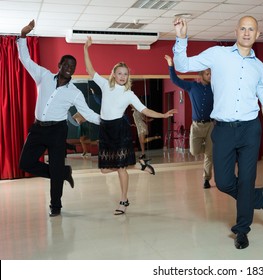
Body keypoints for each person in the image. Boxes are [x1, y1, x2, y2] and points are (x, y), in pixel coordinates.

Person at [173, 15, 263, 249]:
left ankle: (242, 230)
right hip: (223, 130)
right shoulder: (217, 55)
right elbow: (183, 66)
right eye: (243, 28)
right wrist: (181, 38)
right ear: (236, 31)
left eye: (252, 29)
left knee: (247, 181)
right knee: (224, 181)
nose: (247, 33)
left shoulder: (259, 66)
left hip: (250, 129)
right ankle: (259, 198)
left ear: (258, 35)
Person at [84, 36, 177, 215]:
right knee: (104, 169)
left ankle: (124, 201)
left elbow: (145, 110)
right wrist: (86, 49)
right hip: (105, 129)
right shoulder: (104, 84)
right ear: (114, 74)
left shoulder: (129, 94)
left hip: (119, 129)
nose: (122, 76)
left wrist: (163, 115)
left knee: (120, 167)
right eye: (119, 73)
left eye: (125, 74)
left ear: (128, 77)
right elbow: (89, 69)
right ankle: (138, 165)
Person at [17, 20, 101, 217]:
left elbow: (87, 113)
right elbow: (26, 60)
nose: (70, 68)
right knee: (25, 163)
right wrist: (23, 35)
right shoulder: (44, 76)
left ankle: (56, 206)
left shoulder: (74, 92)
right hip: (38, 129)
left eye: (73, 66)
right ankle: (62, 173)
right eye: (67, 64)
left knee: (55, 166)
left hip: (57, 131)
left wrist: (106, 121)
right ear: (60, 65)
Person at [164, 54, 214, 189]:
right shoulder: (192, 86)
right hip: (197, 126)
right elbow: (174, 80)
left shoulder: (215, 88)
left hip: (211, 125)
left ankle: (206, 179)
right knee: (194, 151)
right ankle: (210, 150)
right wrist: (170, 65)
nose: (210, 76)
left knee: (209, 155)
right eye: (208, 74)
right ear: (201, 74)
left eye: (211, 74)